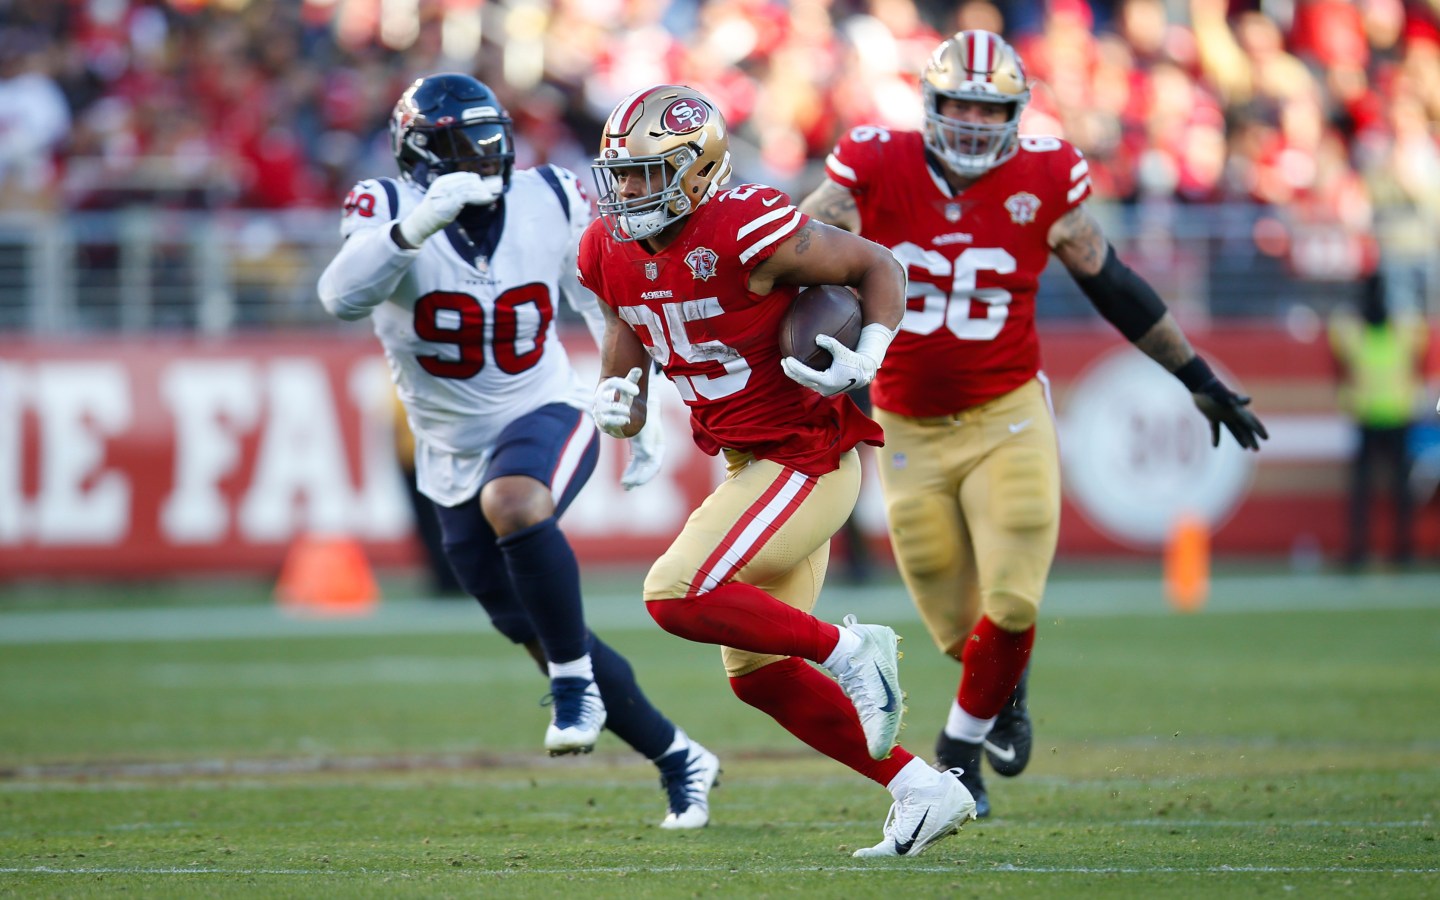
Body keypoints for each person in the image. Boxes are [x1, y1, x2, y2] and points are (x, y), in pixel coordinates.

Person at [799, 30, 1269, 818]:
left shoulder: (1047, 174)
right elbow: (794, 252)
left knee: (1012, 602)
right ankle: (1004, 695)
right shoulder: (873, 164)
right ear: (929, 103)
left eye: (990, 109)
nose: (975, 122)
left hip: (1006, 412)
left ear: (1017, 112)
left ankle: (957, 757)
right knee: (958, 629)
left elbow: (1110, 281)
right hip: (907, 424)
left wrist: (1195, 374)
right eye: (958, 104)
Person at [580, 83, 977, 858]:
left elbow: (879, 266)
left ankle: (850, 651)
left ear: (697, 172)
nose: (625, 190)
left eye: (644, 174)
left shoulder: (744, 227)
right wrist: (616, 402)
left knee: (674, 592)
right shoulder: (605, 248)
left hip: (806, 459)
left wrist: (871, 352)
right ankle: (921, 789)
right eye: (619, 174)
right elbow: (627, 341)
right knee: (757, 673)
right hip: (750, 464)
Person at [317, 73, 719, 829]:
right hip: (447, 453)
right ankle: (678, 756)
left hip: (545, 410)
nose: (485, 154)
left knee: (517, 505)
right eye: (464, 143)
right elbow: (340, 296)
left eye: (492, 137)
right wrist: (412, 231)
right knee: (537, 627)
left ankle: (572, 687)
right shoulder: (388, 206)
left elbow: (605, 302)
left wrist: (640, 400)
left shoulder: (554, 194)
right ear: (419, 155)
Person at [1328, 271, 1430, 569]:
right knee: (1391, 490)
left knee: (1376, 491)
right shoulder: (1404, 331)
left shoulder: (1352, 333)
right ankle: (1398, 552)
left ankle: (1374, 552)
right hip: (1389, 415)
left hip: (1378, 416)